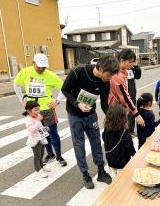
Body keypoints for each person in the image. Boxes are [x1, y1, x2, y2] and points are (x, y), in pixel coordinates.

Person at [62, 56, 120, 189]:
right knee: (79, 144)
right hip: (75, 114)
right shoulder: (78, 72)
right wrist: (77, 104)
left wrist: (112, 118)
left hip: (91, 115)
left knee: (96, 141)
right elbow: (64, 89)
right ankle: (85, 173)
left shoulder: (105, 82)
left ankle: (101, 171)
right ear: (100, 69)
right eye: (109, 74)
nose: (110, 78)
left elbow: (105, 105)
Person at [13, 53, 67, 167]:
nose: (41, 69)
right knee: (42, 134)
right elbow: (16, 85)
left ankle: (58, 155)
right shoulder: (25, 72)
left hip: (47, 109)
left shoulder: (50, 75)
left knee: (53, 133)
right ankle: (50, 154)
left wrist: (57, 101)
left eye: (44, 67)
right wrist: (21, 100)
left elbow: (65, 87)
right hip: (33, 111)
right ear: (33, 63)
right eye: (39, 66)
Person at [108, 49, 145, 127]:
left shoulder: (123, 71)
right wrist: (137, 114)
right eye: (130, 62)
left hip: (121, 107)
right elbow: (124, 96)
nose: (131, 65)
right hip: (116, 110)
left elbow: (138, 76)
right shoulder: (117, 74)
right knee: (118, 133)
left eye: (132, 62)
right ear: (122, 60)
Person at [102, 104, 136, 177]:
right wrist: (135, 155)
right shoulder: (124, 131)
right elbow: (129, 146)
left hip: (110, 160)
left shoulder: (107, 129)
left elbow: (104, 138)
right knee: (123, 179)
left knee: (114, 178)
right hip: (123, 162)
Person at [23, 101, 52, 178]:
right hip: (34, 140)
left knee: (42, 154)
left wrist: (45, 129)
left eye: (38, 109)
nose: (38, 112)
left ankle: (41, 166)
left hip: (41, 138)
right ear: (29, 111)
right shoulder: (28, 119)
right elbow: (32, 129)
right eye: (35, 110)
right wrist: (38, 120)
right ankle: (38, 170)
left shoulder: (36, 117)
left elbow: (40, 128)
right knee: (37, 156)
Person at [127, 63, 142, 134]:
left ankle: (131, 130)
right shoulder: (119, 70)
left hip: (132, 95)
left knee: (132, 113)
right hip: (123, 96)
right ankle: (124, 131)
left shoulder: (132, 69)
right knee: (124, 114)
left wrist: (136, 67)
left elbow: (138, 76)